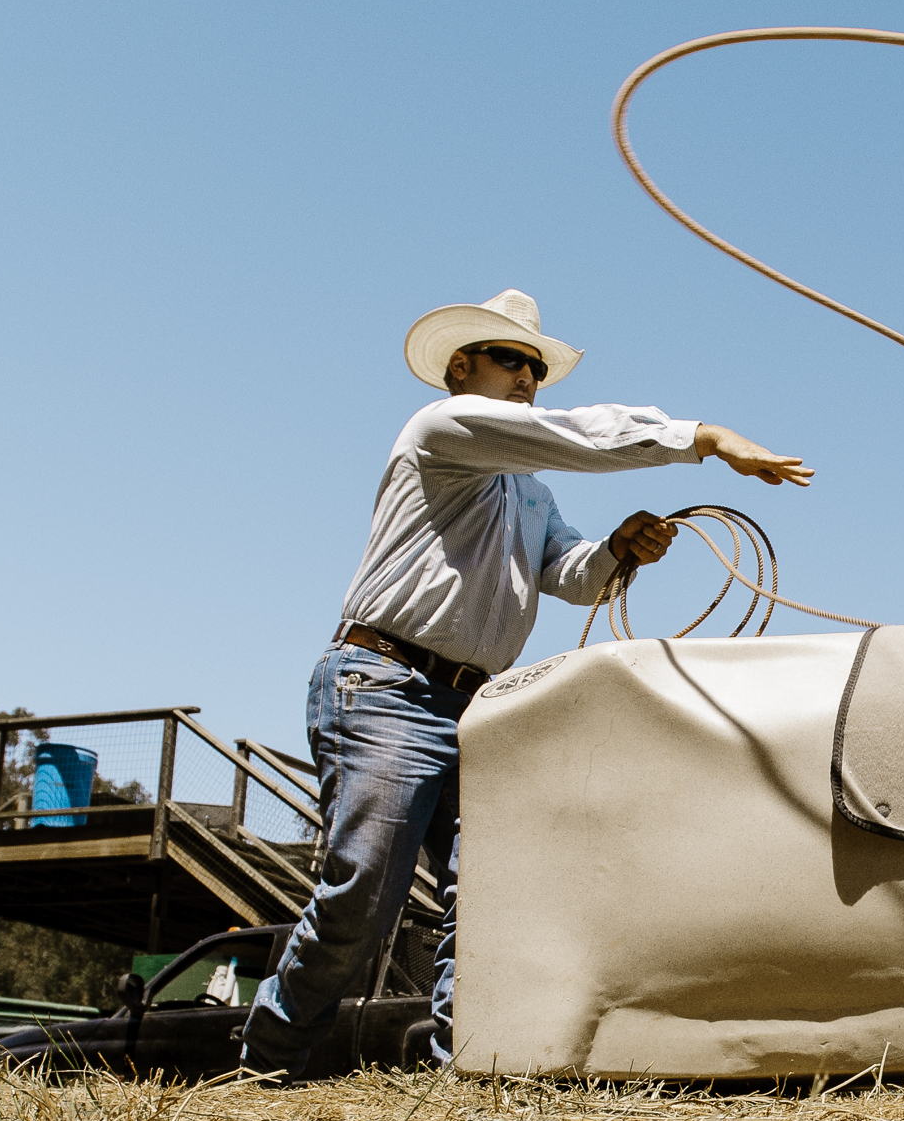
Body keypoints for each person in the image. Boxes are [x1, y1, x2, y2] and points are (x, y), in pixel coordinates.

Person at [240, 289, 810, 1076]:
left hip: (475, 705)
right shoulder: (441, 430)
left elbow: (571, 574)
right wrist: (704, 439)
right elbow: (572, 435)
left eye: (536, 370)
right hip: (384, 685)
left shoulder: (531, 491)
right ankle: (268, 1062)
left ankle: (465, 1069)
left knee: (487, 899)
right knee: (364, 891)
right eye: (511, 360)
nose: (527, 380)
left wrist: (618, 549)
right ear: (460, 367)